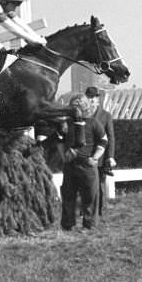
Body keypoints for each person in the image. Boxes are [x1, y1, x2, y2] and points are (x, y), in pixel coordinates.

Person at [59, 95, 108, 231]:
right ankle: (68, 225)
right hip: (70, 165)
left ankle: (89, 225)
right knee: (68, 196)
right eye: (73, 105)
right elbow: (60, 140)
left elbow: (103, 141)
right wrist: (63, 156)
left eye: (78, 106)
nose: (75, 108)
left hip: (87, 166)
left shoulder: (93, 123)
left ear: (85, 107)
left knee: (90, 196)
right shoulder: (66, 124)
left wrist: (95, 158)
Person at [84, 86, 116, 218]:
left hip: (100, 157)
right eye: (89, 97)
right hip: (84, 155)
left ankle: (99, 211)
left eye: (94, 97)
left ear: (98, 99)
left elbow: (110, 137)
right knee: (86, 185)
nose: (92, 100)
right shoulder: (82, 114)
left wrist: (110, 156)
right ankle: (86, 211)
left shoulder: (105, 115)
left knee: (99, 185)